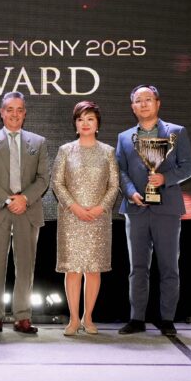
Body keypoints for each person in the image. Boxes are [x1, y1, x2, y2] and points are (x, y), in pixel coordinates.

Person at [115, 85, 191, 336]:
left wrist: (165, 178)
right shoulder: (124, 137)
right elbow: (120, 171)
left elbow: (189, 166)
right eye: (138, 100)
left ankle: (167, 319)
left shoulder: (176, 132)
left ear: (157, 103)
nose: (143, 104)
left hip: (167, 209)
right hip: (136, 208)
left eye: (148, 99)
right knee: (137, 267)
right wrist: (131, 192)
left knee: (169, 266)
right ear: (133, 107)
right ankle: (136, 318)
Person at [0, 92, 50, 337]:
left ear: (25, 113)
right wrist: (8, 200)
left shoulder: (38, 142)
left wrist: (23, 199)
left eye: (19, 109)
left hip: (28, 209)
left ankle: (23, 317)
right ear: (2, 112)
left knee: (26, 266)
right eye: (10, 109)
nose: (14, 114)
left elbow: (43, 179)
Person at [51, 100, 118, 337]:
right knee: (72, 270)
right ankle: (73, 319)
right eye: (81, 119)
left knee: (93, 270)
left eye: (90, 119)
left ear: (98, 124)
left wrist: (101, 208)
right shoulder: (65, 150)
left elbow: (114, 185)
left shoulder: (108, 152)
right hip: (71, 218)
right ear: (75, 124)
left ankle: (88, 317)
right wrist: (74, 207)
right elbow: (57, 183)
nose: (85, 123)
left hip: (99, 219)